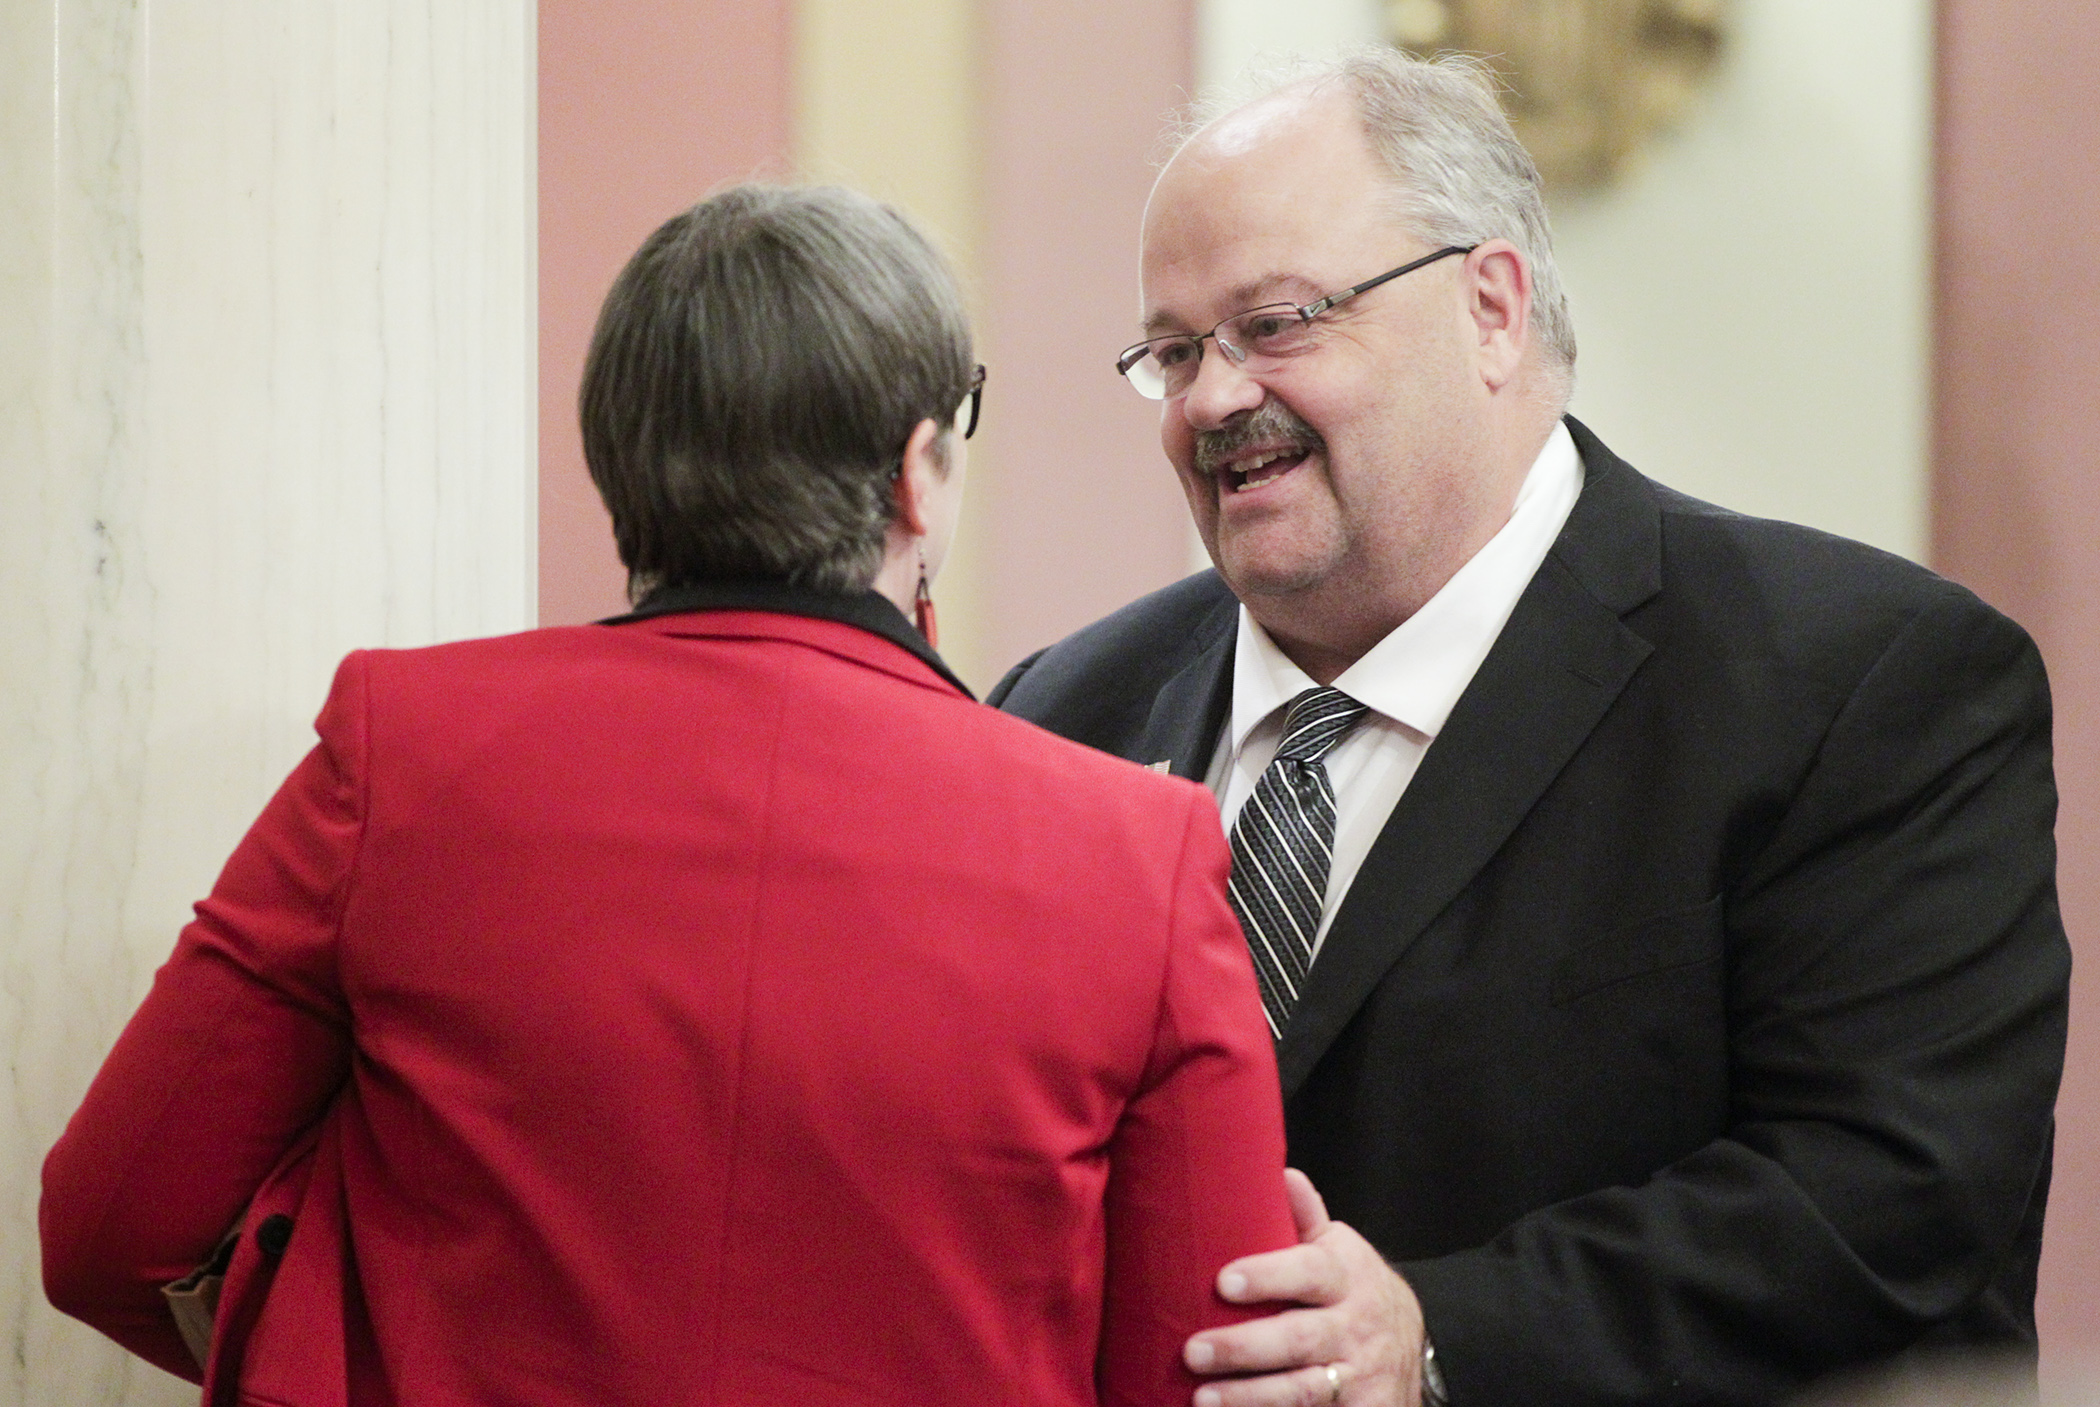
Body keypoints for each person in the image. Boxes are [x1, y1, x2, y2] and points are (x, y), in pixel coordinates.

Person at [42, 184, 1297, 1407]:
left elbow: (108, 1229)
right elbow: (1207, 1368)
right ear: (920, 471)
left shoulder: (402, 749)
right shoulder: (1134, 852)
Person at [990, 49, 2071, 1407]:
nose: (1214, 398)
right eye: (1173, 351)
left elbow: (1896, 1196)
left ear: (1490, 307)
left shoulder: (1859, 683)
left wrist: (1437, 1333)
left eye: (1276, 323)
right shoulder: (1058, 717)